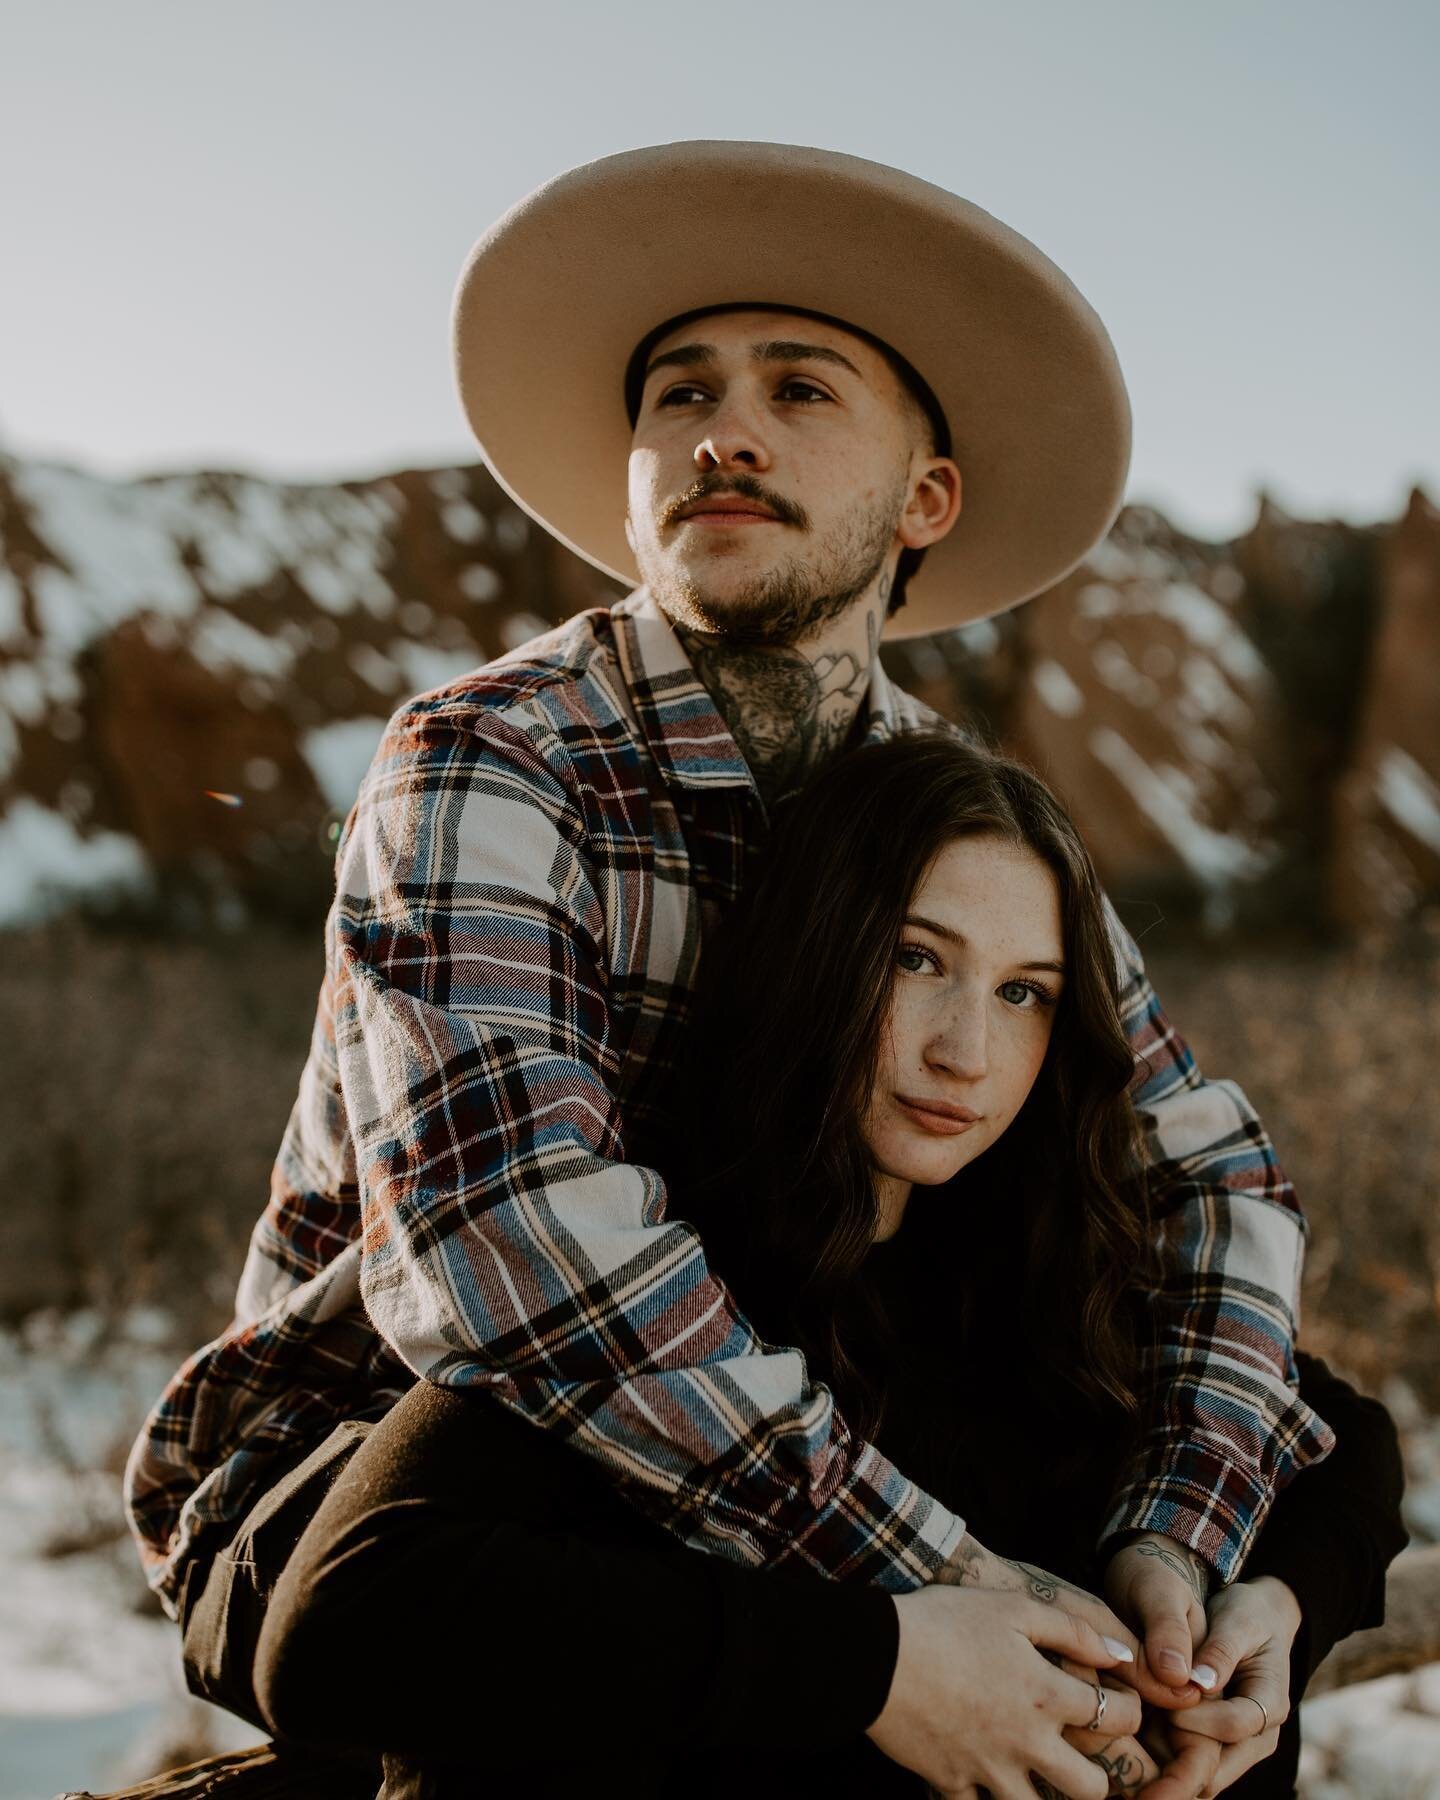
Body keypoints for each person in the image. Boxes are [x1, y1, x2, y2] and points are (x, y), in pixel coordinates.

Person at [122, 142, 1365, 1793]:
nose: (723, 429)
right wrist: (941, 1582)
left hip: (795, 1421)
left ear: (927, 500)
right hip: (395, 1486)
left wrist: (1181, 1554)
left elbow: (1209, 1182)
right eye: (679, 396)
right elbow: (512, 1243)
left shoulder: (965, 813)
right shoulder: (497, 759)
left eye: (801, 390)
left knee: (1192, 1532)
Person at [242, 731, 1406, 1798]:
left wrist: (1268, 1608)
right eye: (912, 959)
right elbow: (335, 1631)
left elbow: (1331, 1433)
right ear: (818, 950)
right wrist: (876, 1668)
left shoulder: (1048, 1271)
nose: (965, 1052)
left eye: (1023, 992)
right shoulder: (661, 1292)